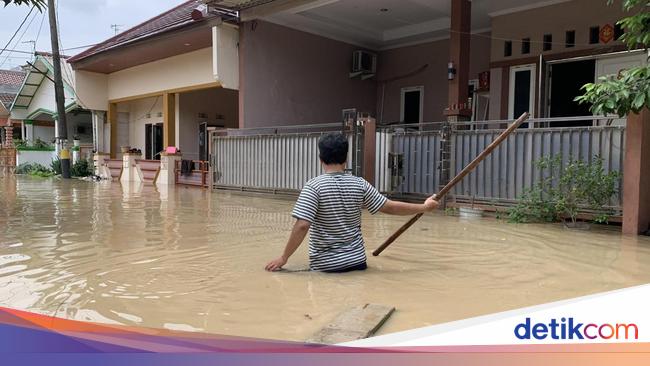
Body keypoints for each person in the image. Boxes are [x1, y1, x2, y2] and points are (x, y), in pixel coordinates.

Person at [265, 133, 439, 273]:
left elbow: (302, 225)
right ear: (345, 158)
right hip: (357, 263)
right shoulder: (359, 184)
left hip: (327, 267)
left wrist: (284, 258)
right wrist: (425, 207)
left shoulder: (313, 186)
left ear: (321, 158)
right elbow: (390, 206)